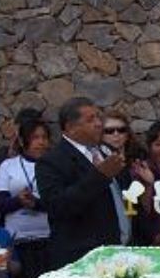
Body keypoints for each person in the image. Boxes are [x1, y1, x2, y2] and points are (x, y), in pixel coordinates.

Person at [36, 97, 132, 269]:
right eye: (90, 119)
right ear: (70, 127)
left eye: (98, 118)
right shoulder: (51, 161)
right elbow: (57, 206)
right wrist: (99, 176)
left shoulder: (107, 152)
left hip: (117, 251)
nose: (98, 124)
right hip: (81, 257)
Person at [0, 116, 51, 278]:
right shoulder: (8, 166)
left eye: (44, 137)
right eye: (35, 137)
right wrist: (19, 201)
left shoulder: (54, 165)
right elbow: (0, 205)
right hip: (18, 240)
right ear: (22, 140)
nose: (41, 142)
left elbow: (61, 202)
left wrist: (36, 204)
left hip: (48, 238)